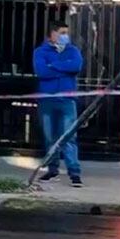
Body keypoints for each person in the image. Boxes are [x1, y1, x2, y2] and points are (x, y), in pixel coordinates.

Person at [33, 20, 84, 187]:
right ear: (52, 34)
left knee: (69, 136)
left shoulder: (73, 51)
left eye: (66, 33)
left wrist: (53, 65)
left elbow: (76, 66)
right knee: (50, 137)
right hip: (47, 99)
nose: (65, 36)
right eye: (62, 33)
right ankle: (52, 169)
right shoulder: (40, 51)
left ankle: (74, 172)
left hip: (67, 100)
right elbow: (41, 71)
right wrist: (64, 69)